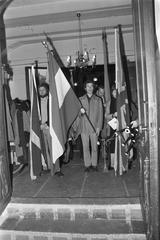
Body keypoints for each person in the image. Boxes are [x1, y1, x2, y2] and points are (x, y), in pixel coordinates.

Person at [38, 82, 64, 177]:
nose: (41, 92)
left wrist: (47, 124)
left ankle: (57, 169)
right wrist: (39, 124)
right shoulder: (36, 102)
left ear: (47, 90)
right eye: (40, 90)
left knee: (53, 148)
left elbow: (54, 114)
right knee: (44, 149)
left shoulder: (52, 101)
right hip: (40, 128)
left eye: (43, 90)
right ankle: (49, 167)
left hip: (50, 128)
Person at [79, 80, 103, 172]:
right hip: (84, 127)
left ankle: (94, 164)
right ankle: (87, 165)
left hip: (94, 127)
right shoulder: (80, 99)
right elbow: (77, 115)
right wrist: (80, 113)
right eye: (88, 86)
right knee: (85, 147)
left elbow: (100, 115)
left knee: (94, 147)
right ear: (85, 88)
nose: (89, 88)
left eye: (91, 86)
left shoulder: (98, 100)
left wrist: (98, 127)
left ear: (93, 88)